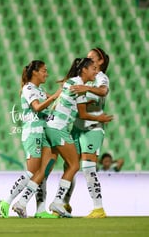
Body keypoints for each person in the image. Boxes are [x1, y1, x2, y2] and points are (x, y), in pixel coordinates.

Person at [12, 57, 113, 218]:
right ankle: (58, 201)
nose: (96, 71)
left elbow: (77, 106)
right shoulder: (77, 85)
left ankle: (22, 203)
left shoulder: (72, 82)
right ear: (84, 70)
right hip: (59, 129)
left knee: (44, 170)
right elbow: (83, 113)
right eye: (93, 68)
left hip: (50, 127)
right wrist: (100, 118)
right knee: (74, 165)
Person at [0, 60, 60, 219]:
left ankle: (40, 210)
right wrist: (54, 97)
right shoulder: (28, 88)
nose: (47, 73)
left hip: (42, 132)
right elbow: (37, 107)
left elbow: (46, 108)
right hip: (32, 133)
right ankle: (6, 201)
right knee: (33, 171)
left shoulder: (40, 89)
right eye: (44, 71)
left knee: (43, 172)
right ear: (35, 72)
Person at [66, 47, 111, 218]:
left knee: (87, 168)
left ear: (100, 61)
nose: (89, 60)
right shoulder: (84, 78)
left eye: (92, 58)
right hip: (77, 128)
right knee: (70, 167)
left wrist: (85, 89)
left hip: (93, 129)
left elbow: (103, 91)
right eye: (87, 58)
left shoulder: (101, 78)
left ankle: (98, 208)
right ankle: (64, 204)